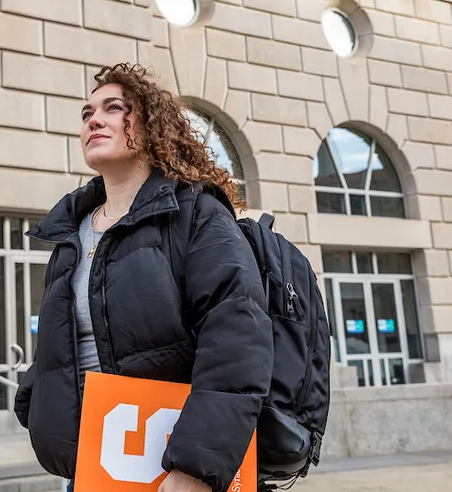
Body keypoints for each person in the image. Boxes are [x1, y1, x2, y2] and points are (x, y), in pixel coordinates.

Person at [14, 63, 273, 492]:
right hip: (96, 466)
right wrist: (36, 404)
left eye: (113, 108)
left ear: (151, 126)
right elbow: (63, 346)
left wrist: (197, 465)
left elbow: (236, 339)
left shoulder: (196, 213)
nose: (93, 119)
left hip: (179, 468)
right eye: (86, 113)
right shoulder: (71, 234)